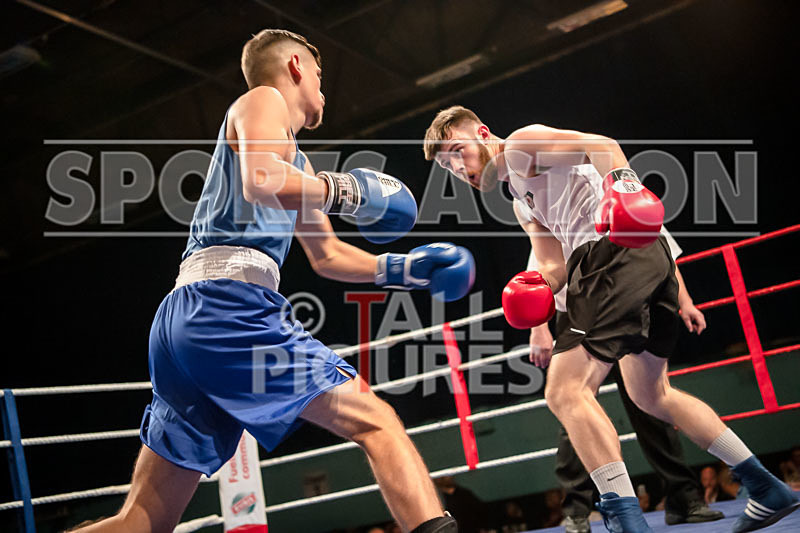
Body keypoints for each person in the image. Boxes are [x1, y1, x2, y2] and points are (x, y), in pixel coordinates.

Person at [71, 30, 475, 533]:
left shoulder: (297, 164)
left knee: (143, 521)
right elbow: (260, 179)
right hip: (226, 307)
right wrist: (347, 189)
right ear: (297, 65)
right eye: (321, 78)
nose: (324, 93)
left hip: (187, 318)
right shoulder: (262, 100)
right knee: (376, 420)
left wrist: (405, 269)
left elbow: (327, 256)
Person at [422, 105, 800, 532]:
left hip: (611, 255)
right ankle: (765, 486)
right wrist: (534, 286)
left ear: (484, 134)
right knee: (651, 394)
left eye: (458, 150)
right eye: (445, 163)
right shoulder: (518, 201)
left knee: (564, 392)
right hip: (637, 260)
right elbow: (554, 263)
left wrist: (624, 188)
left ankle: (625, 519)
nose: (457, 165)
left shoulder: (521, 146)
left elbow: (600, 145)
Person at [516, 204, 723, 531]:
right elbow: (542, 264)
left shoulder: (621, 193)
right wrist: (538, 327)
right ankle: (576, 509)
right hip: (577, 310)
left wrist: (685, 302)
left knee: (648, 399)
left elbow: (662, 246)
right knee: (574, 403)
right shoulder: (549, 192)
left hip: (629, 301)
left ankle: (683, 497)